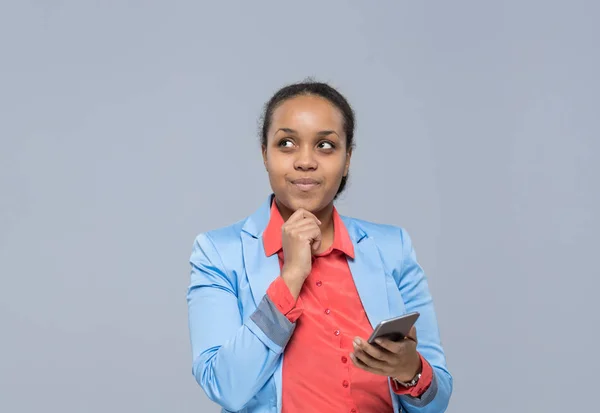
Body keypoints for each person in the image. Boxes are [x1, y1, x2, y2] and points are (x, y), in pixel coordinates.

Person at [186, 80, 453, 413]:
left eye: (325, 145)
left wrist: (409, 372)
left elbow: (437, 401)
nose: (306, 161)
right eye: (286, 143)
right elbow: (224, 385)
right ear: (264, 154)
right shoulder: (218, 253)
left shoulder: (392, 248)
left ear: (348, 158)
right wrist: (291, 277)